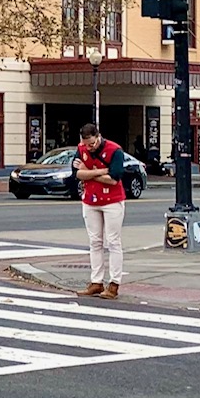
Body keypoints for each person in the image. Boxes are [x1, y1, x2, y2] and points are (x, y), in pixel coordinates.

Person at [74, 122, 126, 299]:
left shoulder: (115, 150)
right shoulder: (81, 149)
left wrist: (88, 172)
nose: (90, 147)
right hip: (90, 200)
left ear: (99, 136)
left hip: (112, 201)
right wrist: (101, 171)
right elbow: (77, 174)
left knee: (113, 241)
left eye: (92, 144)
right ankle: (96, 281)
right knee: (95, 241)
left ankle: (114, 283)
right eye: (87, 144)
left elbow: (114, 178)